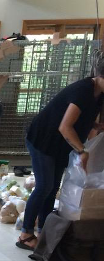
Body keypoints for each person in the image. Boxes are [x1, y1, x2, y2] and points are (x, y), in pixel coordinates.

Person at [16, 62, 104, 250]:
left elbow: (85, 120)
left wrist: (95, 128)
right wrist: (82, 151)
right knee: (44, 186)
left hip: (61, 145)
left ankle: (44, 231)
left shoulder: (99, 94)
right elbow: (65, 126)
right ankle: (25, 234)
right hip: (43, 140)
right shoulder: (83, 91)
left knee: (53, 186)